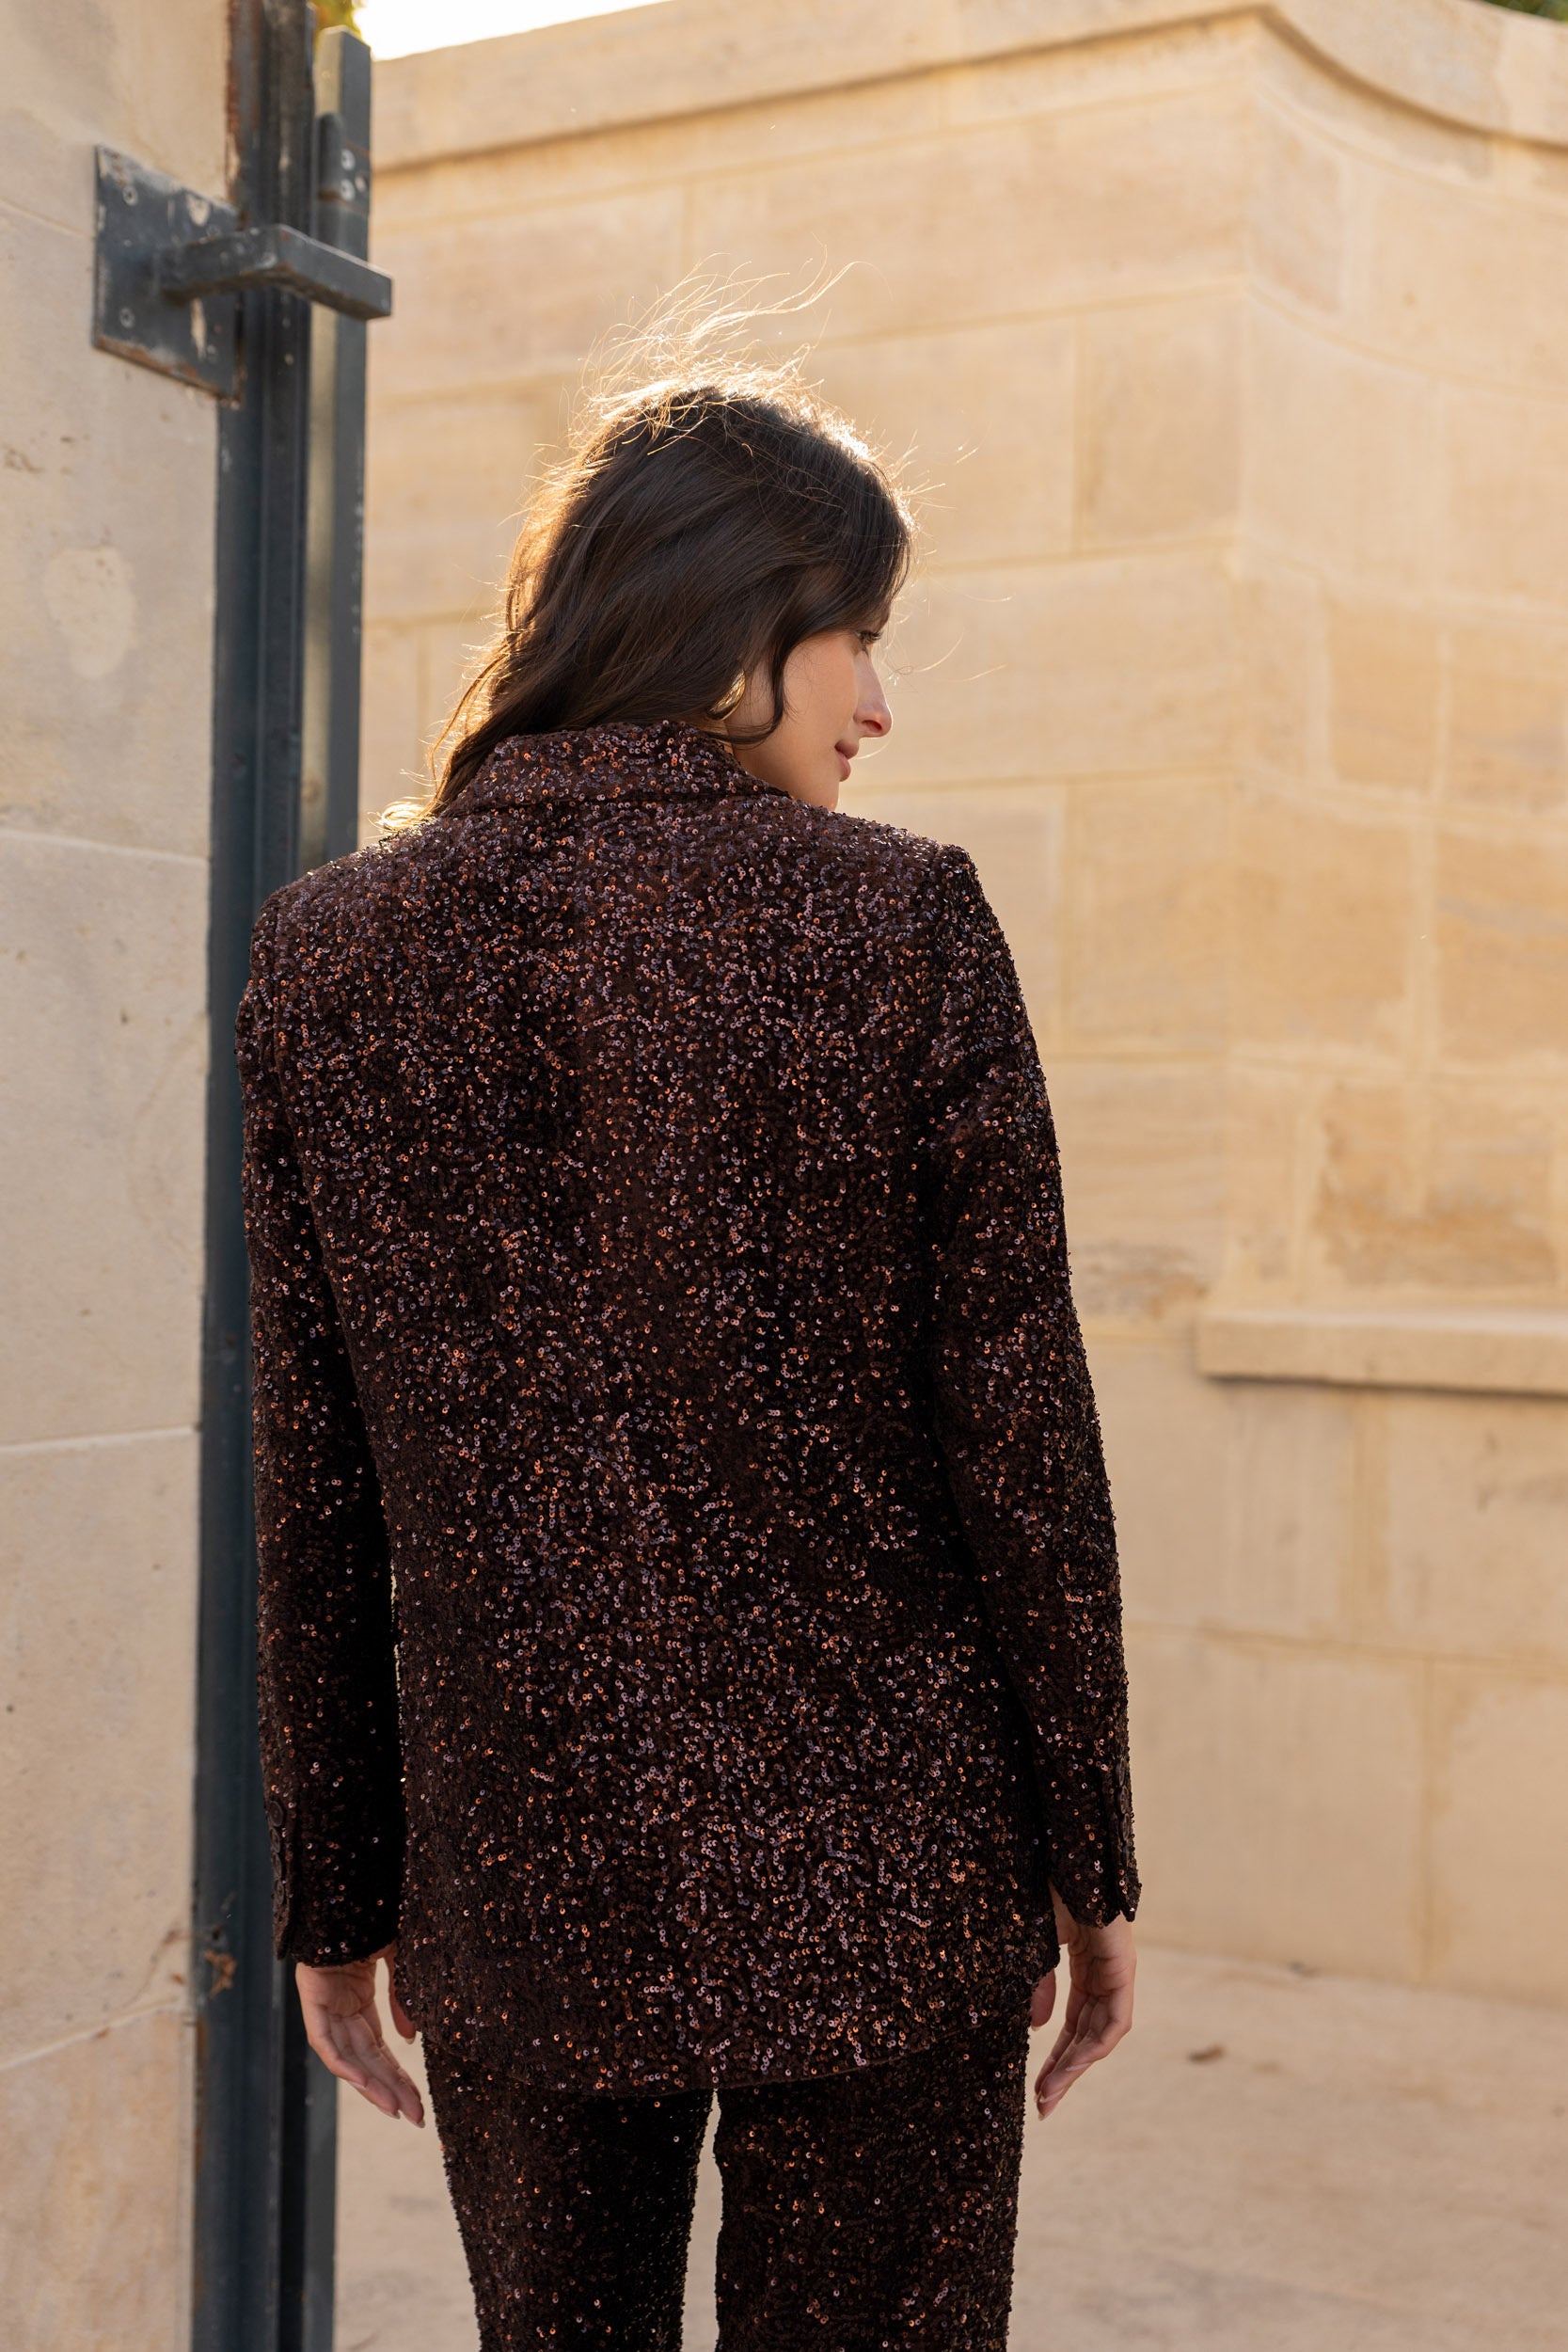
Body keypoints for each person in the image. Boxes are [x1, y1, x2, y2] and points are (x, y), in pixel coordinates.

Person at [234, 329, 1139, 2350]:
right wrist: (1091, 1857)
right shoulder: (903, 925)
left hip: (521, 1873)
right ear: (741, 628)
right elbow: (1023, 1446)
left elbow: (318, 1482)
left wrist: (340, 1886)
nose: (881, 705)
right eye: (859, 641)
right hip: (894, 1874)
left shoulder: (326, 954)